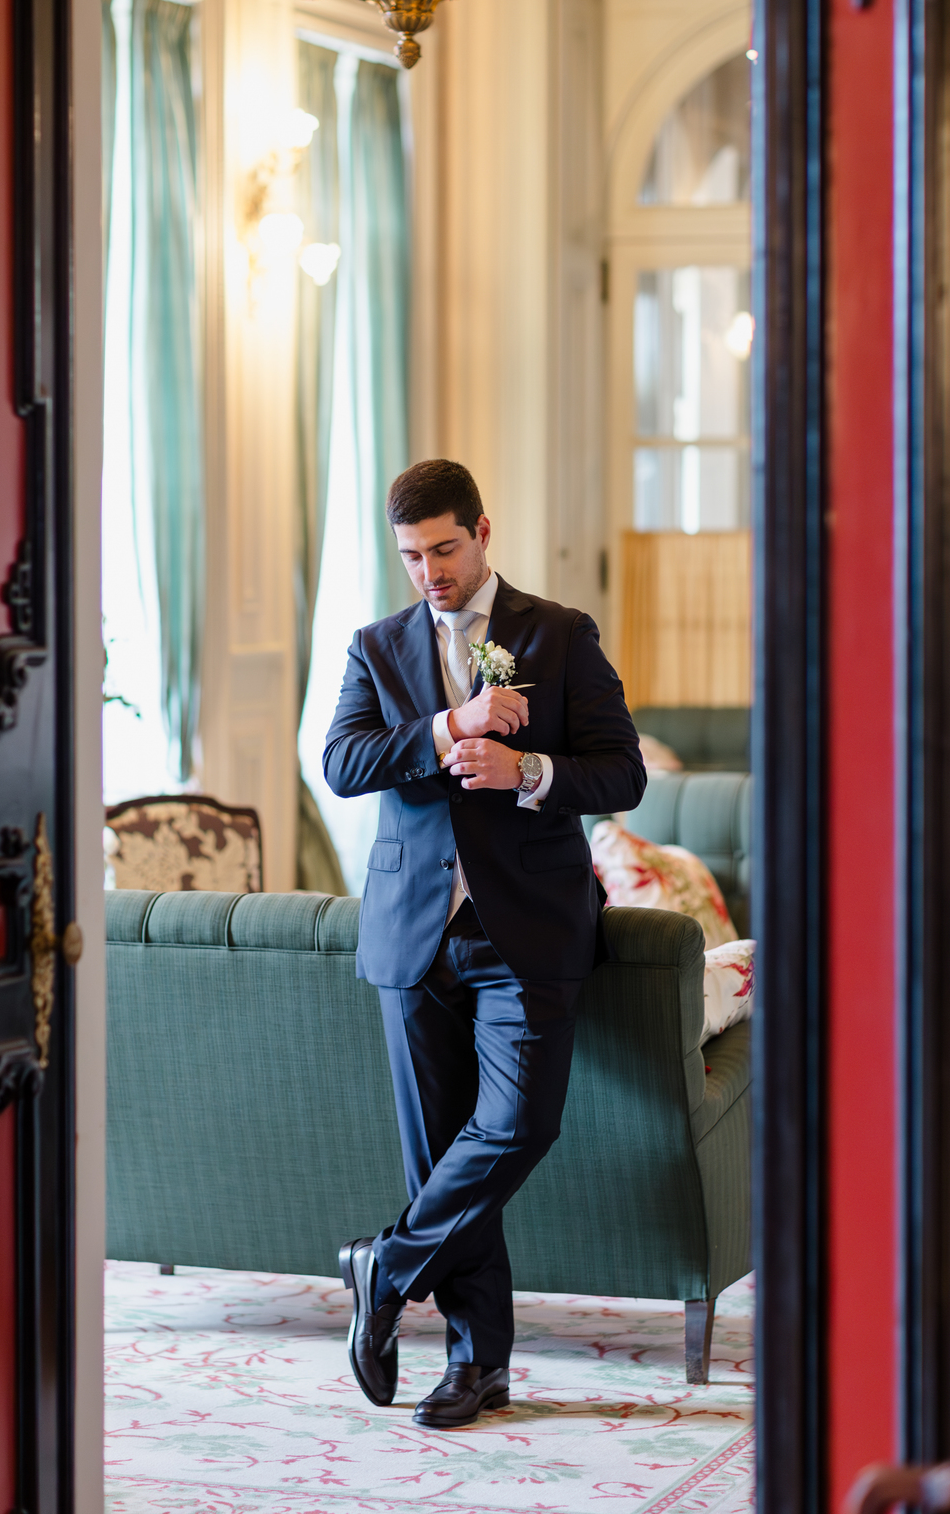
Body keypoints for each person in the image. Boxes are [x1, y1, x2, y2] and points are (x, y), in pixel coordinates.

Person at [323, 458, 646, 1428]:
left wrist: (529, 770)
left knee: (517, 1127)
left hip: (529, 931)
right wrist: (445, 726)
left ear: (483, 532)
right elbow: (343, 762)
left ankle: (385, 1269)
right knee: (440, 1159)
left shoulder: (560, 634)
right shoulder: (377, 648)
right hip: (414, 936)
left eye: (444, 549)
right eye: (411, 556)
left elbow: (622, 772)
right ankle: (476, 1365)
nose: (430, 572)